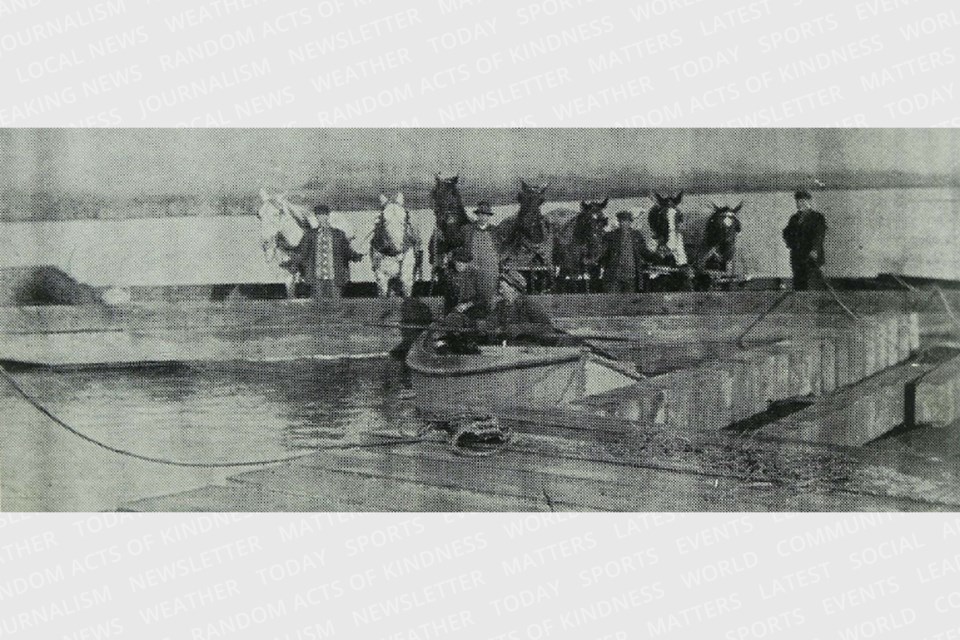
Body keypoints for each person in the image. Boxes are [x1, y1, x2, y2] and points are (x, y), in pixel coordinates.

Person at [479, 269, 556, 345]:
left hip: (528, 349)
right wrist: (484, 325)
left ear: (513, 288)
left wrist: (521, 328)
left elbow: (548, 327)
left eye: (502, 288)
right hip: (505, 349)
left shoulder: (528, 304)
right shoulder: (500, 306)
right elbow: (491, 323)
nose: (500, 291)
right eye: (500, 288)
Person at [307, 204, 364, 298]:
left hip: (335, 278)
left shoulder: (339, 234)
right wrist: (293, 262)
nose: (322, 217)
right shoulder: (310, 235)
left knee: (336, 306)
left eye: (324, 214)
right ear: (316, 217)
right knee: (317, 308)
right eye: (319, 215)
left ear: (328, 216)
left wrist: (355, 256)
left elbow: (346, 250)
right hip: (316, 278)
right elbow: (303, 252)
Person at [782, 189, 827, 290]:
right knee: (799, 285)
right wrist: (791, 244)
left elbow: (819, 235)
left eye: (802, 201)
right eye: (797, 201)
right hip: (797, 257)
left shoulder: (817, 217)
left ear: (809, 202)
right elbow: (786, 233)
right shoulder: (794, 218)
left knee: (812, 285)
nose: (799, 204)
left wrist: (815, 250)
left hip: (812, 258)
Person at [601, 210, 654, 293]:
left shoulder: (637, 236)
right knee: (612, 302)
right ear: (618, 222)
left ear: (630, 222)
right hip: (614, 276)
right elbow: (602, 253)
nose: (624, 223)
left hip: (631, 276)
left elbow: (644, 252)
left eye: (626, 221)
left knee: (628, 302)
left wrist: (657, 257)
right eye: (621, 221)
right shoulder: (610, 236)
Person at [464, 201, 500, 310]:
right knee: (472, 295)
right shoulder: (468, 229)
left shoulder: (494, 231)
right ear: (477, 215)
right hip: (473, 267)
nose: (483, 217)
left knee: (489, 295)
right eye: (481, 214)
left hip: (490, 269)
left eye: (486, 215)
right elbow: (463, 247)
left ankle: (489, 316)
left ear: (489, 216)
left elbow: (499, 249)